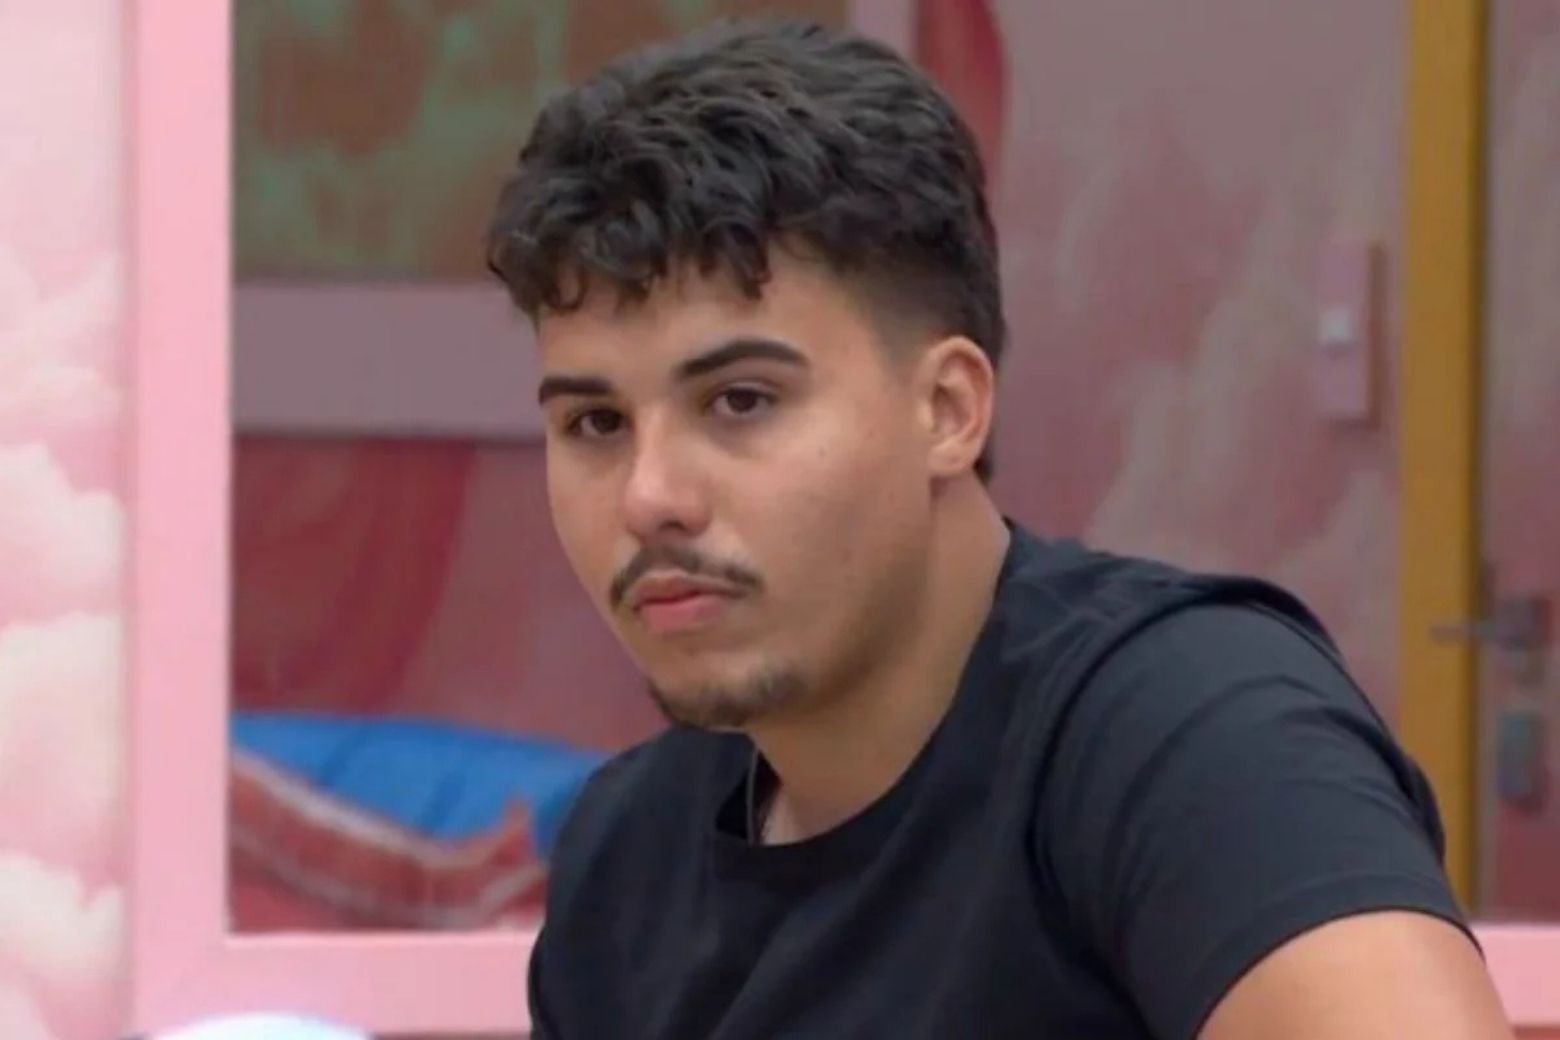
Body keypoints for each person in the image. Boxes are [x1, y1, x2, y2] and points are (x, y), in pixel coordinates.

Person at [485, 18, 1513, 1040]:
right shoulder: (627, 855)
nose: (649, 495)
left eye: (741, 401)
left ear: (947, 409)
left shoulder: (1187, 729)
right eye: (596, 423)